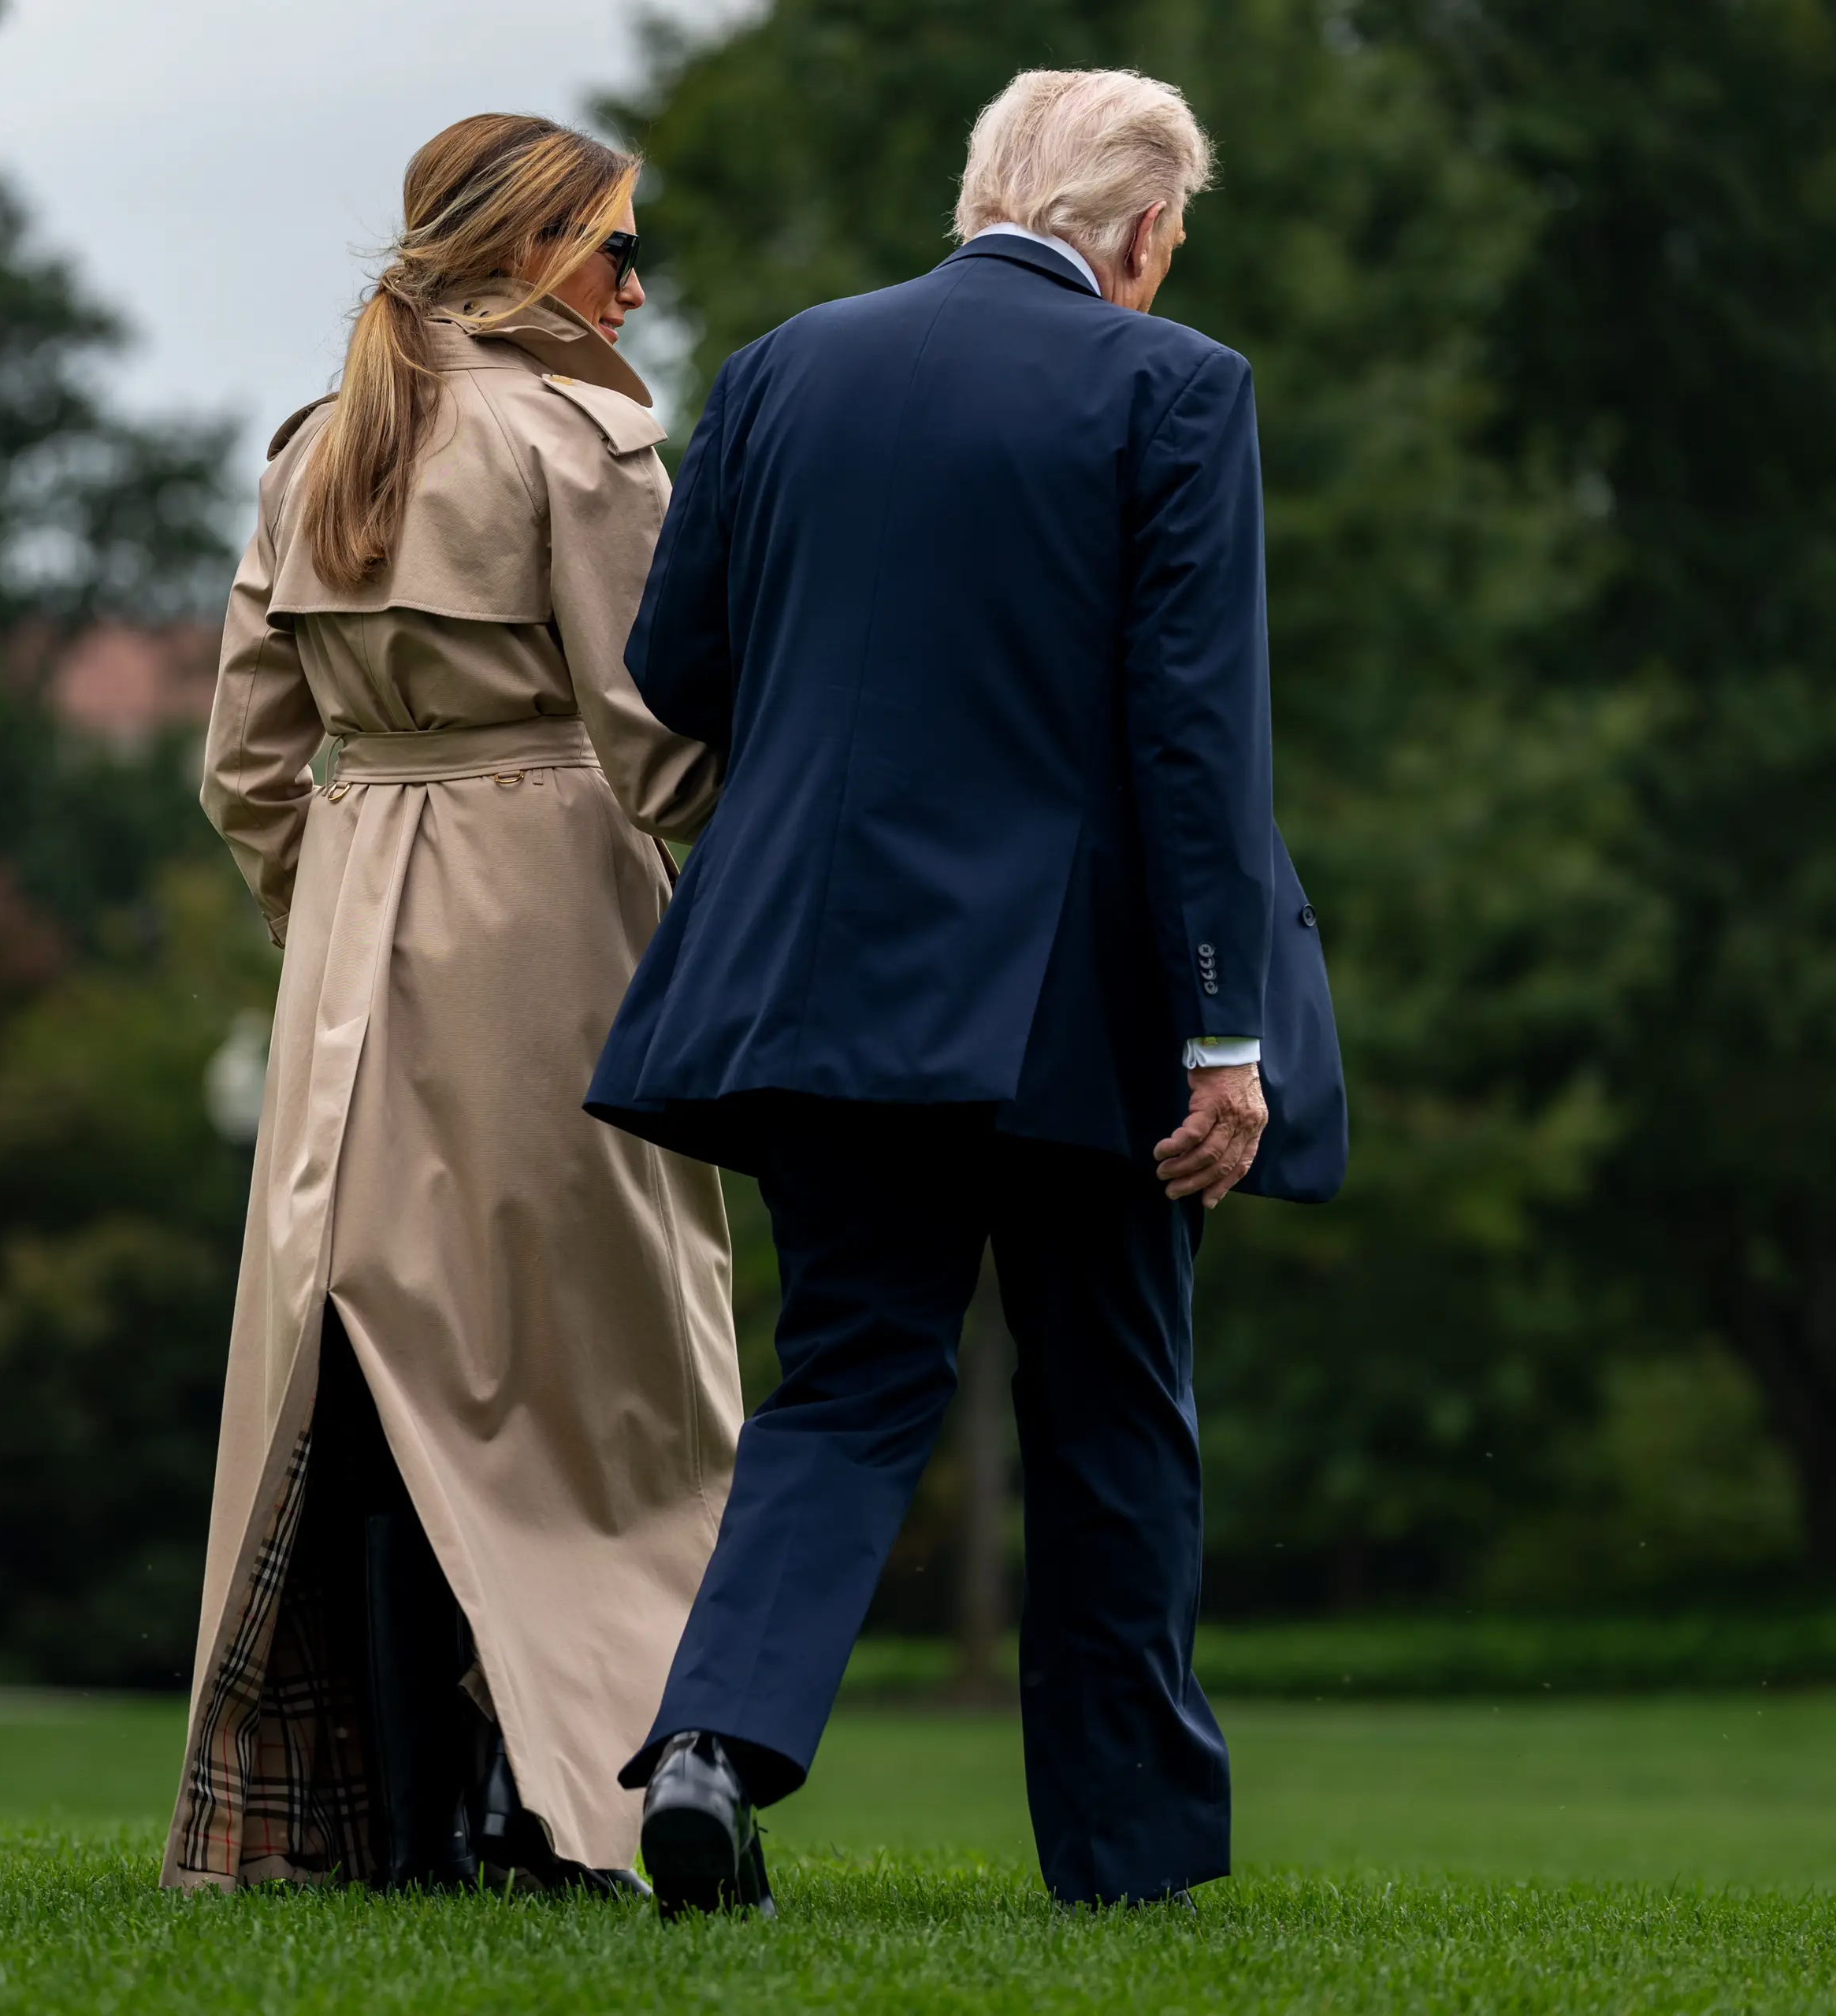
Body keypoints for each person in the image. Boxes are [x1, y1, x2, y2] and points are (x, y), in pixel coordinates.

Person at [585, 69, 1349, 1914]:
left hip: (827, 988)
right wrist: (1225, 1036)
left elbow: (678, 667)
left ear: (982, 191)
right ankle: (1127, 1858)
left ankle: (708, 1750)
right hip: (1083, 1011)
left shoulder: (782, 368)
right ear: (1146, 231)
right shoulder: (1176, 389)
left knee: (843, 1383)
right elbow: (1193, 740)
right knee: (1112, 1413)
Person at [162, 113, 741, 1898]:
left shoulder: (321, 445)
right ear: (523, 253)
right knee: (585, 1378)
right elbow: (662, 748)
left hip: (355, 918)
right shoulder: (584, 437)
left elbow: (245, 768)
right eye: (611, 249)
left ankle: (400, 1823)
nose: (636, 286)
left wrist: (338, 913)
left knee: (376, 1372)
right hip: (548, 909)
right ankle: (577, 1796)